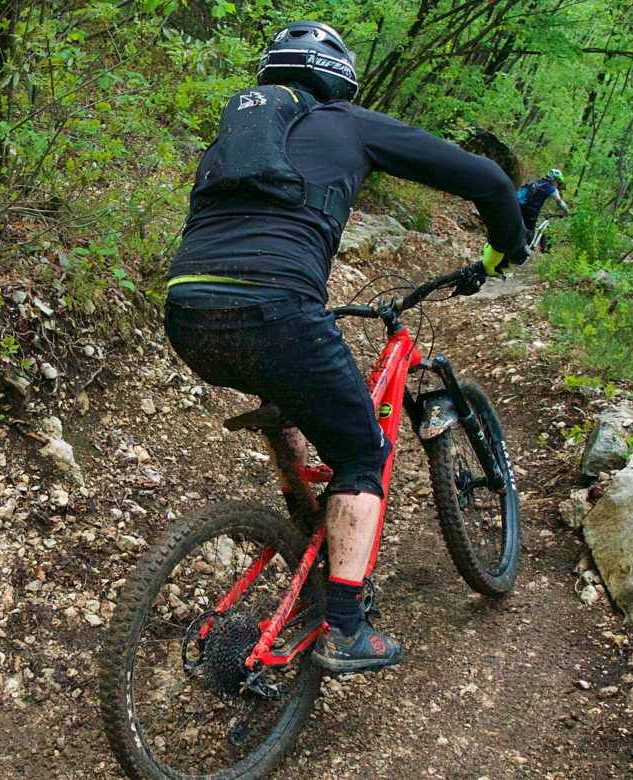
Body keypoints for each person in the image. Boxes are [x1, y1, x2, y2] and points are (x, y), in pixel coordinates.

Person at [164, 20, 528, 672]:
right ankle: (346, 626)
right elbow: (489, 181)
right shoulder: (348, 123)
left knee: (287, 387)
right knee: (363, 452)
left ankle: (308, 527)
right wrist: (509, 247)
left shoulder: (233, 142)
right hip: (277, 310)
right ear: (336, 81)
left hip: (187, 313)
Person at [517, 169, 570, 241]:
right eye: (558, 182)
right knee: (529, 235)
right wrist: (566, 210)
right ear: (554, 180)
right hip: (531, 213)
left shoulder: (534, 182)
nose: (557, 184)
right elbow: (559, 202)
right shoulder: (552, 189)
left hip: (518, 206)